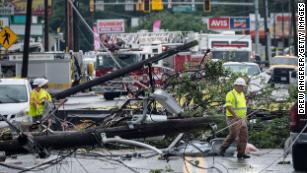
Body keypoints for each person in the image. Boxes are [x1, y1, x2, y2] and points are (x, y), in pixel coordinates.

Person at [219, 77, 250, 159]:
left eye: (244, 86)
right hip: (232, 117)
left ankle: (241, 153)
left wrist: (244, 117)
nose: (243, 88)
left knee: (244, 136)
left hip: (242, 118)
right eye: (242, 86)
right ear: (237, 86)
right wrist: (235, 116)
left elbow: (242, 106)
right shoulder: (230, 94)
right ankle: (222, 149)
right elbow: (228, 106)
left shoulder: (242, 94)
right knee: (234, 134)